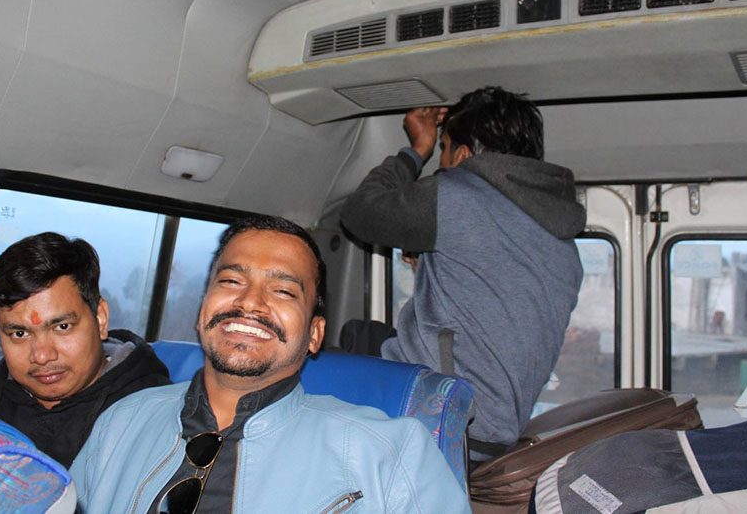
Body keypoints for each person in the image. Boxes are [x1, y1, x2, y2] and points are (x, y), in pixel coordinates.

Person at [70, 215, 469, 514]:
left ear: (314, 334)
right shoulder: (120, 424)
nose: (250, 302)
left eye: (282, 290)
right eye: (231, 281)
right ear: (202, 309)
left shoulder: (392, 455)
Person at [340, 86, 587, 460]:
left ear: (464, 155)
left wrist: (417, 149)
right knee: (362, 334)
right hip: (493, 430)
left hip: (446, 418)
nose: (440, 161)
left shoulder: (458, 191)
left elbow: (361, 212)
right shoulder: (563, 243)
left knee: (313, 363)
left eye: (444, 149)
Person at [0, 232, 172, 467]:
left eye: (62, 327)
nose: (42, 356)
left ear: (100, 319)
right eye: (20, 334)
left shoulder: (157, 418)